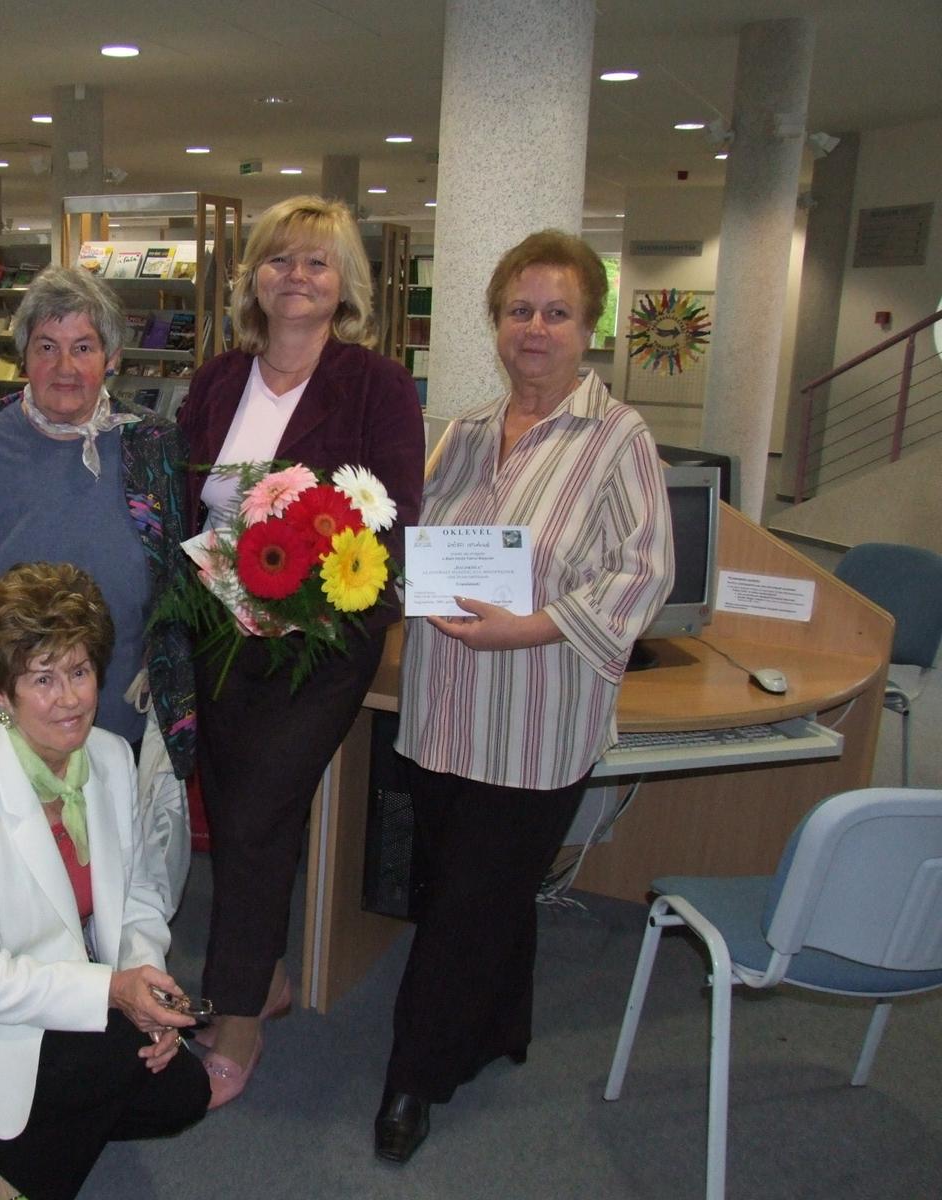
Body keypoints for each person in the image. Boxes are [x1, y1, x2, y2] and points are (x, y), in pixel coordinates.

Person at [379, 230, 673, 1164]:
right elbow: (423, 547)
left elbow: (642, 575)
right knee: (470, 889)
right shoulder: (463, 433)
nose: (534, 329)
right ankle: (503, 1024)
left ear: (589, 328)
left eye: (556, 312)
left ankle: (412, 1080)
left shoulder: (619, 439)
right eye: (518, 311)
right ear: (495, 322)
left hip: (536, 722)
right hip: (442, 712)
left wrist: (533, 626)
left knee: (464, 908)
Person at [176, 195, 425, 1107]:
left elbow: (396, 517)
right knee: (233, 805)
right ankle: (267, 974)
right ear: (253, 277)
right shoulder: (217, 379)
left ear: (345, 283)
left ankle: (237, 1010)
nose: (297, 276)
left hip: (321, 641)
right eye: (280, 259)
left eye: (318, 262)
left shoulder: (376, 384)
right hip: (219, 630)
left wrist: (307, 595)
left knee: (257, 816)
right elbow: (183, 496)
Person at [0, 562, 210, 1200]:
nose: (70, 699)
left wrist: (144, 982)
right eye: (42, 679)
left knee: (183, 1093)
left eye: (79, 671)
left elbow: (139, 895)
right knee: (116, 1062)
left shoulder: (109, 758)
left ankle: (16, 1131)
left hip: (62, 980)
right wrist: (113, 991)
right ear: (0, 693)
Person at [0, 266, 194, 787]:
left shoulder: (154, 448)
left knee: (97, 840)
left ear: (112, 357)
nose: (65, 367)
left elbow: (181, 579)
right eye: (46, 347)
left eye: (83, 348)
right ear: (24, 356)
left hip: (107, 724)